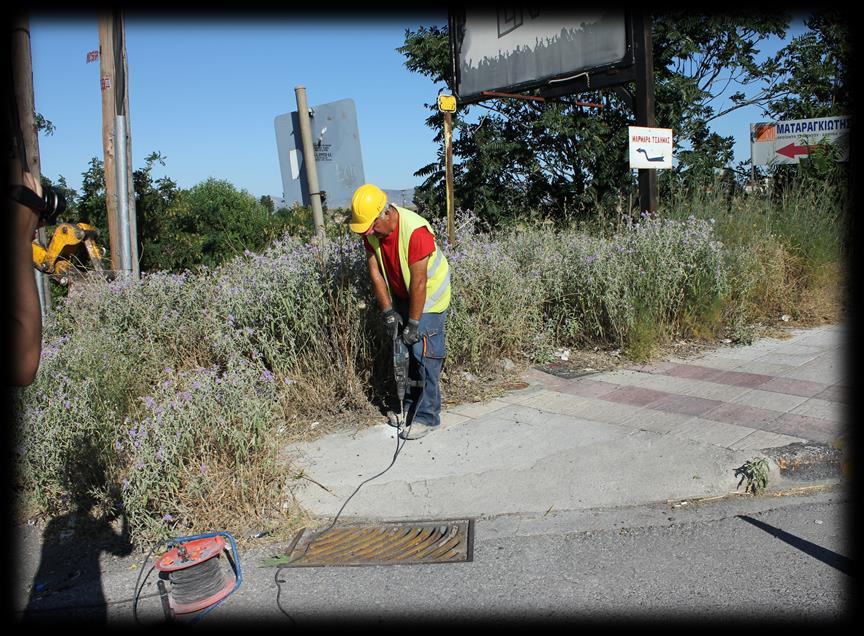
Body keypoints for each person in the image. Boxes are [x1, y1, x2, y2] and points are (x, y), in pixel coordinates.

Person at [349, 183, 451, 440]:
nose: (369, 233)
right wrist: (388, 312)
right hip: (405, 294)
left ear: (385, 213)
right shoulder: (372, 230)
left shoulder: (415, 231)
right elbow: (376, 274)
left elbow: (419, 282)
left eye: (371, 227)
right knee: (402, 351)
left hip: (430, 295)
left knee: (423, 352)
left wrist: (414, 323)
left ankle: (427, 417)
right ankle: (409, 409)